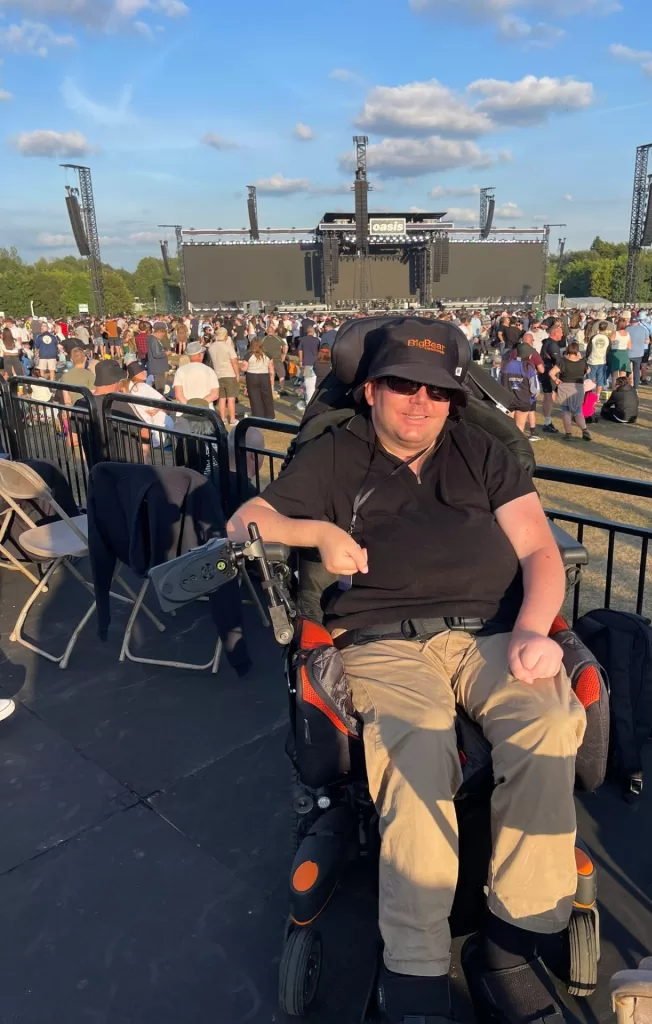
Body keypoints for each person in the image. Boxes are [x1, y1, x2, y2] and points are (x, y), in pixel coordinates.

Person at [227, 318, 583, 1024]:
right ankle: (414, 973)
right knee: (416, 758)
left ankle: (510, 944)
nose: (419, 402)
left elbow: (541, 552)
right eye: (401, 386)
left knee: (548, 723)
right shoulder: (333, 457)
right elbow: (246, 522)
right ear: (369, 390)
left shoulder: (482, 451)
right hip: (382, 642)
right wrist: (318, 532)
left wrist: (536, 632)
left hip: (490, 635)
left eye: (438, 390)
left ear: (455, 397)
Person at [500, 338, 542, 440]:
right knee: (519, 429)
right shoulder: (528, 368)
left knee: (508, 428)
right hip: (523, 401)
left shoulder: (505, 365)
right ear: (529, 355)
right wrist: (532, 399)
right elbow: (534, 390)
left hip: (508, 401)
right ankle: (517, 449)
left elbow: (499, 384)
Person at [549, 341, 592, 441]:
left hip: (565, 387)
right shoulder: (582, 362)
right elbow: (588, 370)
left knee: (566, 412)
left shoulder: (562, 362)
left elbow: (551, 373)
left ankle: (568, 433)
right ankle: (584, 430)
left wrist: (556, 379)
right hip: (578, 388)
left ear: (567, 350)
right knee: (578, 411)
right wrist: (581, 359)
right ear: (577, 351)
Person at [207, 326, 241, 428]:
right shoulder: (228, 347)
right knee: (231, 398)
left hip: (217, 374)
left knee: (221, 398)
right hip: (229, 374)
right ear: (225, 336)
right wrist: (237, 375)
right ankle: (232, 419)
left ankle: (222, 418)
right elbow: (234, 363)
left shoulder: (211, 347)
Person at [173, 341, 220, 406]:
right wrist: (200, 404)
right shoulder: (210, 371)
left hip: (185, 410)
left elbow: (178, 395)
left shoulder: (180, 371)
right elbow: (215, 394)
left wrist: (189, 406)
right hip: (206, 410)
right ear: (200, 355)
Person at [539, 323, 564, 434]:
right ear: (555, 333)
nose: (562, 334)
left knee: (550, 396)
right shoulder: (552, 345)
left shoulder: (548, 342)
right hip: (548, 374)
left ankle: (547, 420)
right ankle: (547, 422)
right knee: (549, 396)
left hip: (546, 372)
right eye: (561, 332)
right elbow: (558, 361)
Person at [243, 337, 275, 419]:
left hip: (252, 376)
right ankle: (270, 416)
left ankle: (258, 416)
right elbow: (271, 369)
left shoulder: (248, 355)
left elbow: (244, 368)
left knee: (254, 398)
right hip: (264, 376)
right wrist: (272, 381)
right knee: (267, 397)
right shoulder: (267, 355)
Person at [585, 320, 611, 403]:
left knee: (590, 380)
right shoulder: (607, 338)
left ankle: (589, 396)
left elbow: (589, 349)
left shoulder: (594, 337)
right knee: (600, 380)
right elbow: (608, 351)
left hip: (592, 360)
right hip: (602, 361)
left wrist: (587, 358)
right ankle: (597, 396)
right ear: (606, 329)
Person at [627, 314, 651, 390]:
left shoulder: (627, 329)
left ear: (630, 322)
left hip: (628, 352)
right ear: (638, 322)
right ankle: (636, 387)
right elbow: (647, 342)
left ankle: (628, 384)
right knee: (636, 370)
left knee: (627, 370)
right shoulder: (644, 329)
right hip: (639, 353)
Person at [298, 326, 320, 405]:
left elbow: (300, 350)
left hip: (307, 363)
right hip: (316, 363)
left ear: (307, 332)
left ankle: (307, 399)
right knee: (315, 381)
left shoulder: (303, 339)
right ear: (313, 332)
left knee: (307, 382)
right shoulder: (317, 340)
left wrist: (300, 360)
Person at [146, 322, 171, 395]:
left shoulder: (154, 339)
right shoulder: (153, 339)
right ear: (159, 332)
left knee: (157, 384)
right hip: (158, 367)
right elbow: (156, 354)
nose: (163, 336)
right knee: (160, 387)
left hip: (158, 367)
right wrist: (166, 353)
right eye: (163, 334)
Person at [608, 317, 631, 387]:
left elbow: (609, 343)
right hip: (624, 353)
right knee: (623, 374)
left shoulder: (615, 333)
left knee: (614, 374)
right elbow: (629, 347)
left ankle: (614, 389)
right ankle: (623, 388)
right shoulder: (628, 334)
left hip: (615, 353)